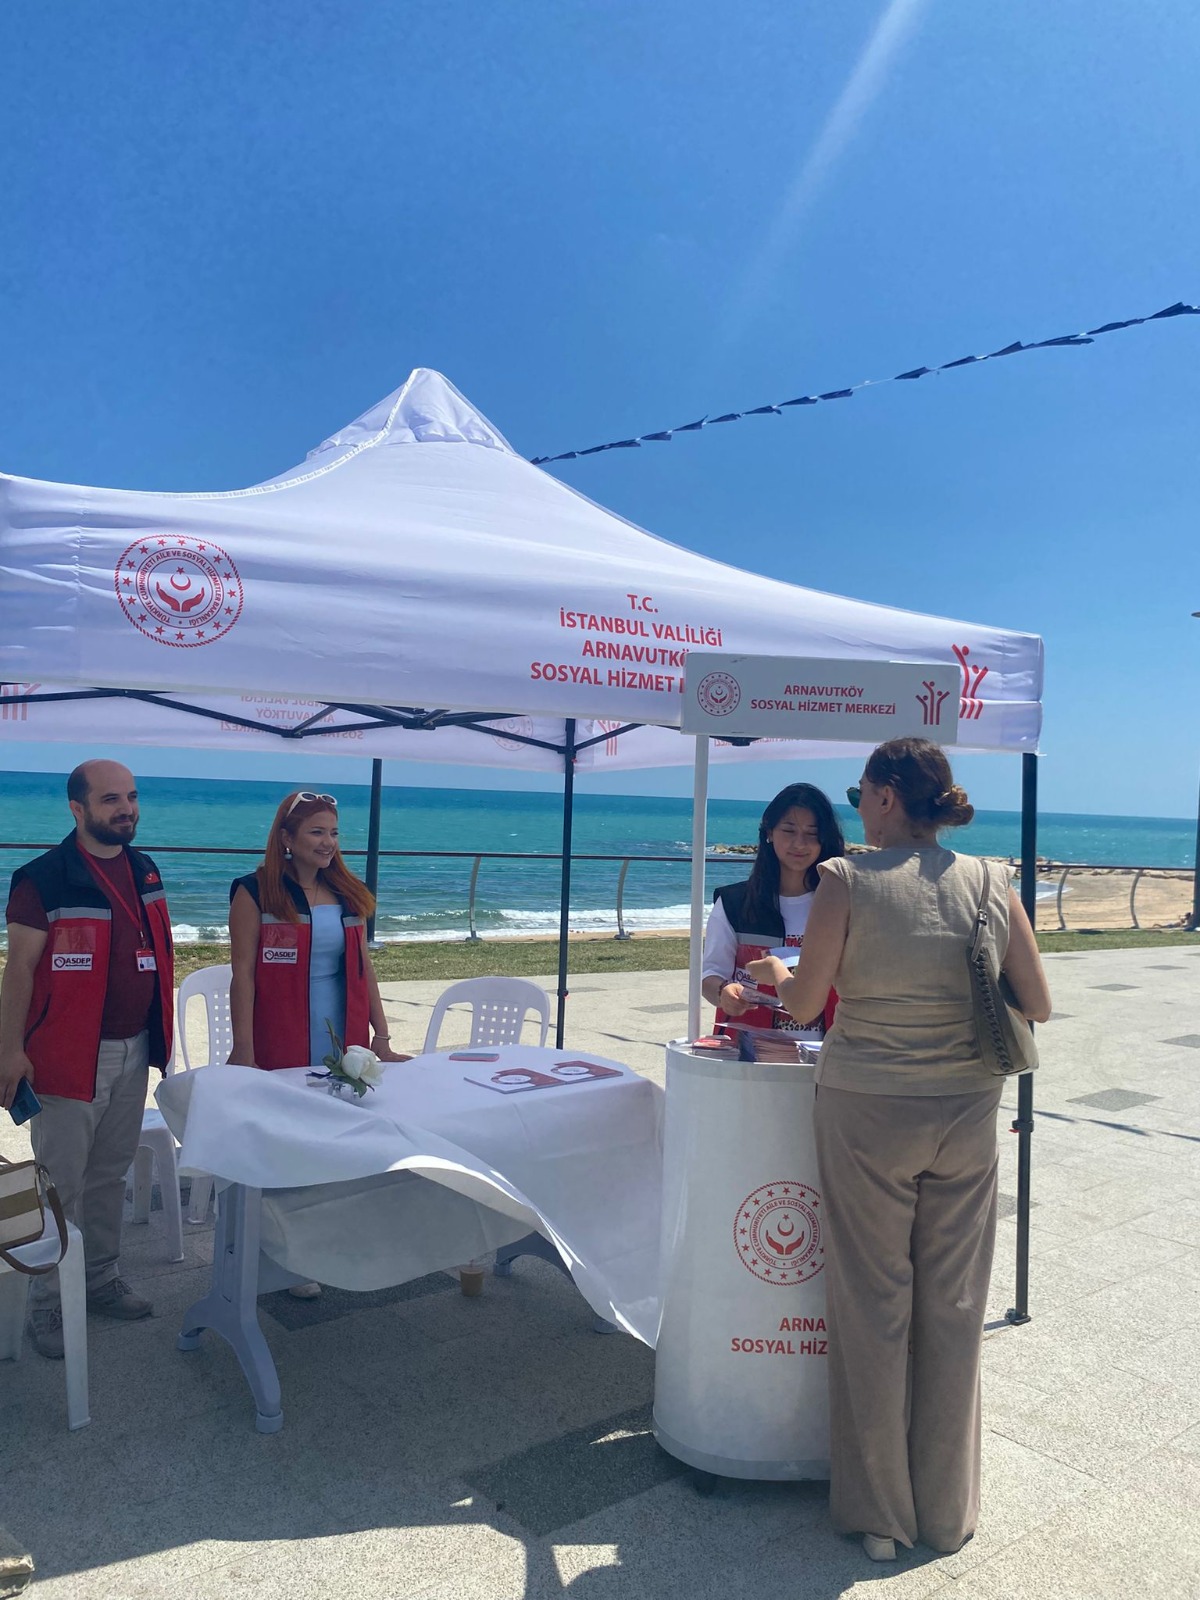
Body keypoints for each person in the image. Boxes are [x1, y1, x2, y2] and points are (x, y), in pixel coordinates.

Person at [748, 738, 1050, 1562]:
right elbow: (1040, 1001)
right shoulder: (991, 879)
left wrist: (776, 974)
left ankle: (880, 1516)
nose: (854, 809)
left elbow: (808, 1004)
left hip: (867, 1110)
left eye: (858, 793)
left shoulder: (846, 881)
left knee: (872, 1306)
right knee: (953, 1309)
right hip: (966, 1109)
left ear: (885, 796)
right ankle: (948, 1513)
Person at [0, 760, 175, 1358]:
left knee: (109, 1176)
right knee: (60, 1183)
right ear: (77, 809)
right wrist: (10, 1050)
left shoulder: (145, 868)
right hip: (69, 1057)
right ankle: (45, 1305)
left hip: (135, 1049)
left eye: (131, 797)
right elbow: (18, 970)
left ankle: (99, 1278)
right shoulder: (42, 879)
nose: (125, 809)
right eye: (110, 800)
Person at [227, 790, 408, 1073]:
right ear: (287, 838)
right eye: (317, 832)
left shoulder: (349, 895)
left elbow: (365, 968)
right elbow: (243, 976)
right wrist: (243, 1051)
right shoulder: (254, 893)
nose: (328, 843)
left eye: (334, 833)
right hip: (278, 1035)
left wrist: (381, 1038)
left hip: (344, 1032)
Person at [702, 782, 845, 1044]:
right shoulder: (733, 902)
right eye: (789, 830)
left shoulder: (843, 903)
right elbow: (710, 976)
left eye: (812, 834)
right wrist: (724, 992)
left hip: (826, 1054)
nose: (799, 843)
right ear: (769, 832)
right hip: (748, 1054)